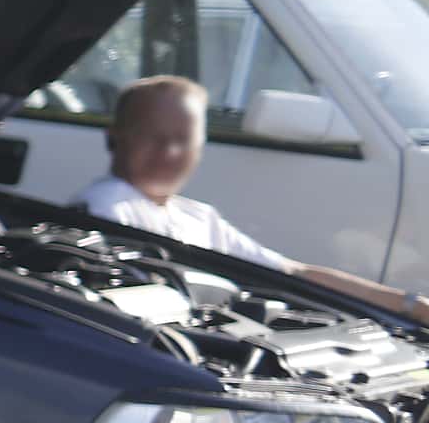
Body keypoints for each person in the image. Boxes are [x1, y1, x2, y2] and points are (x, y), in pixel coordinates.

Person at [77, 75, 429, 320]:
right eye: (154, 136)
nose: (170, 152)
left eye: (183, 139)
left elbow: (292, 272)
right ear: (116, 137)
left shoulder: (199, 218)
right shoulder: (106, 208)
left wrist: (408, 304)